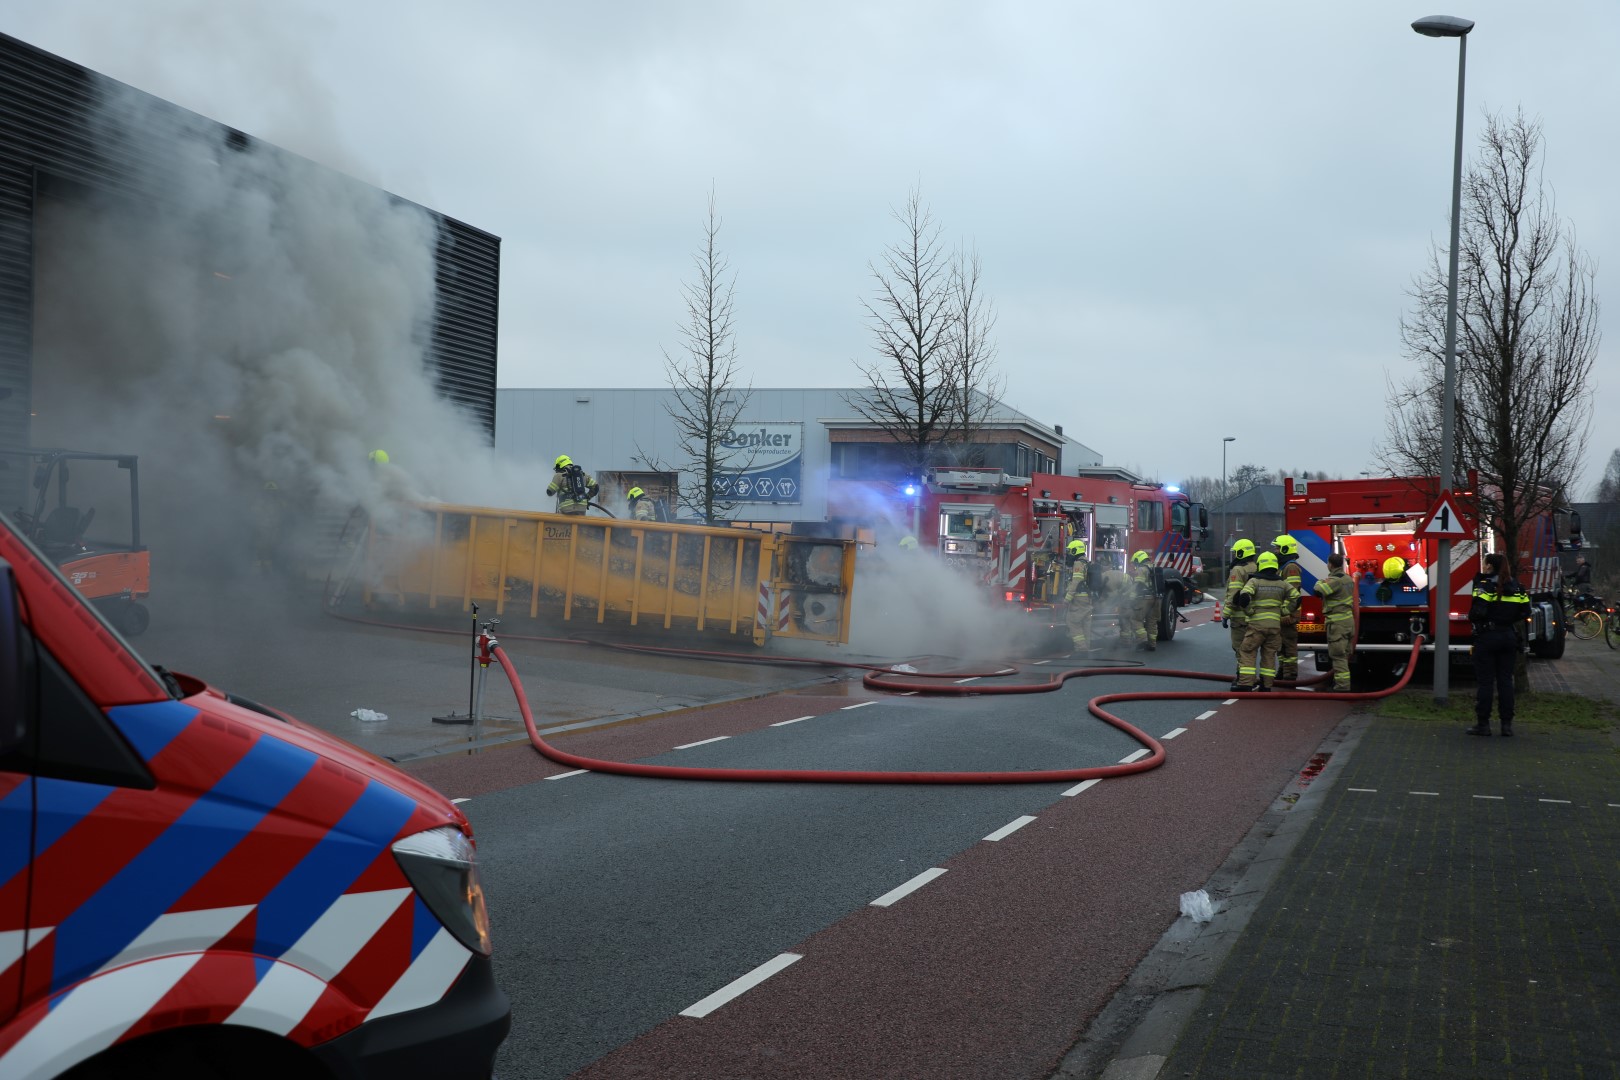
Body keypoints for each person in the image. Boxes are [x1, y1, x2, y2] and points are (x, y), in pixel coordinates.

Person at [1467, 551, 1529, 737]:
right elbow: (1525, 611)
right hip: (1508, 637)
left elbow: (1476, 612)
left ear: (1489, 566)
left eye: (1484, 564)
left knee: (1486, 682)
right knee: (1505, 682)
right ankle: (1506, 726)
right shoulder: (1517, 586)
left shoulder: (1485, 586)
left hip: (1488, 638)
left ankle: (1483, 725)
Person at [1233, 551, 1299, 691]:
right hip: (1274, 627)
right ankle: (1266, 686)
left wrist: (1249, 611)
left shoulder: (1254, 581)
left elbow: (1244, 597)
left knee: (1248, 651)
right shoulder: (1282, 583)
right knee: (1269, 655)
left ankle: (1245, 684)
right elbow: (1296, 598)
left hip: (1257, 626)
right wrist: (1284, 611)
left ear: (1260, 565)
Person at [1313, 552, 1357, 691]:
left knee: (1338, 656)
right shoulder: (1349, 579)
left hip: (1337, 623)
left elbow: (1318, 590)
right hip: (1348, 622)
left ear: (1330, 564)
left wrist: (1320, 581)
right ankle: (1342, 683)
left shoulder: (1335, 580)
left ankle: (1342, 687)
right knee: (1344, 655)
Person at [1224, 538, 1258, 682]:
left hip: (1239, 617)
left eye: (1236, 552)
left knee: (1240, 649)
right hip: (1254, 616)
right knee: (1250, 649)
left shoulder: (1238, 569)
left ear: (1241, 553)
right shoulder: (1256, 567)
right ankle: (1249, 677)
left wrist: (1226, 614)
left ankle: (1243, 678)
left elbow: (1234, 593)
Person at [1272, 534, 1303, 682]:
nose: (1275, 551)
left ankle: (1290, 674)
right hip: (1282, 613)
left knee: (1289, 645)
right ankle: (1283, 670)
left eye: (1277, 548)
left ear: (1285, 549)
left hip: (1288, 615)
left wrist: (1286, 613)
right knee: (1281, 645)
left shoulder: (1290, 567)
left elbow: (1293, 593)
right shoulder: (1283, 566)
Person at [1061, 538, 1094, 655]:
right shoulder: (1087, 563)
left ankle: (1081, 649)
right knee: (1085, 623)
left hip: (1079, 599)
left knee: (1073, 622)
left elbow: (1076, 582)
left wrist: (1067, 599)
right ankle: (1086, 648)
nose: (1069, 554)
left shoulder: (1078, 564)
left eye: (1070, 551)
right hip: (1087, 598)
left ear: (1075, 551)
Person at [1127, 549, 1158, 652]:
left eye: (1136, 562)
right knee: (1152, 621)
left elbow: (1138, 584)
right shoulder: (1153, 567)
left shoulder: (1141, 569)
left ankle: (1142, 639)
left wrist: (1131, 597)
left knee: (1135, 619)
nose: (1135, 565)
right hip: (1156, 599)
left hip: (1144, 598)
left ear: (1139, 559)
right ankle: (1152, 644)